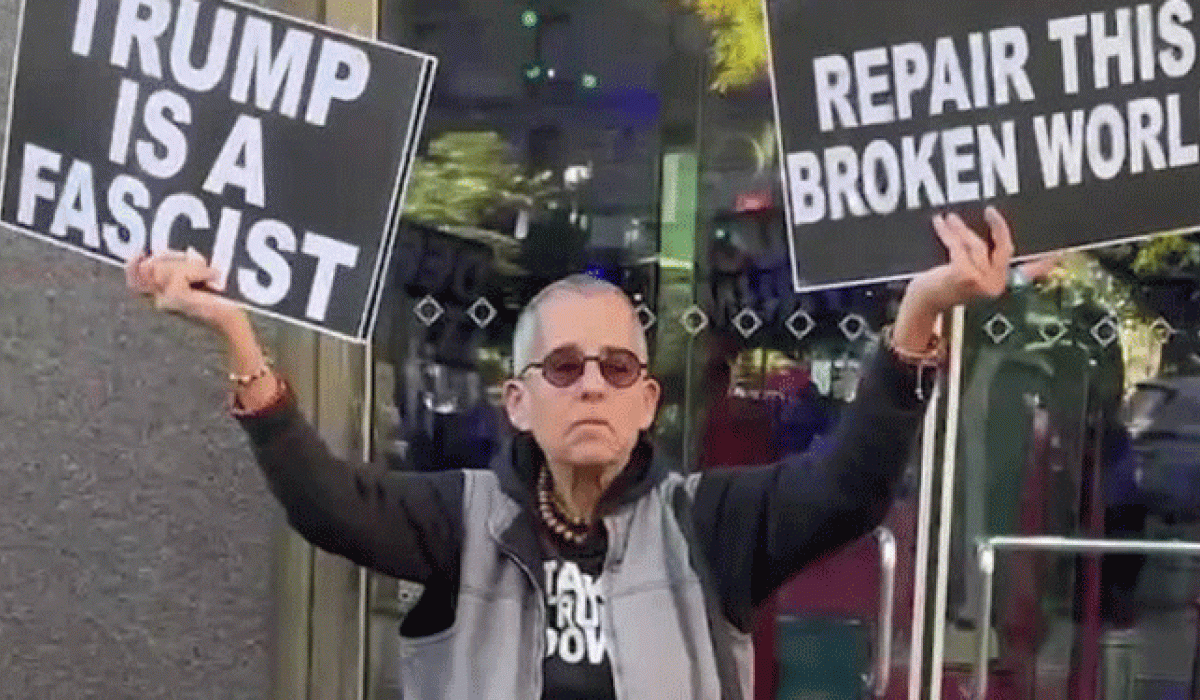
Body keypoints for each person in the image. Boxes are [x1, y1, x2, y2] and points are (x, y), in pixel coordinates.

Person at [127, 208, 1016, 700]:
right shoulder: (462, 519)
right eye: (562, 366)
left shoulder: (704, 525)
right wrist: (236, 337)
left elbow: (850, 489)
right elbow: (326, 503)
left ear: (645, 400)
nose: (590, 384)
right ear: (517, 400)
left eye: (616, 366)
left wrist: (921, 314)